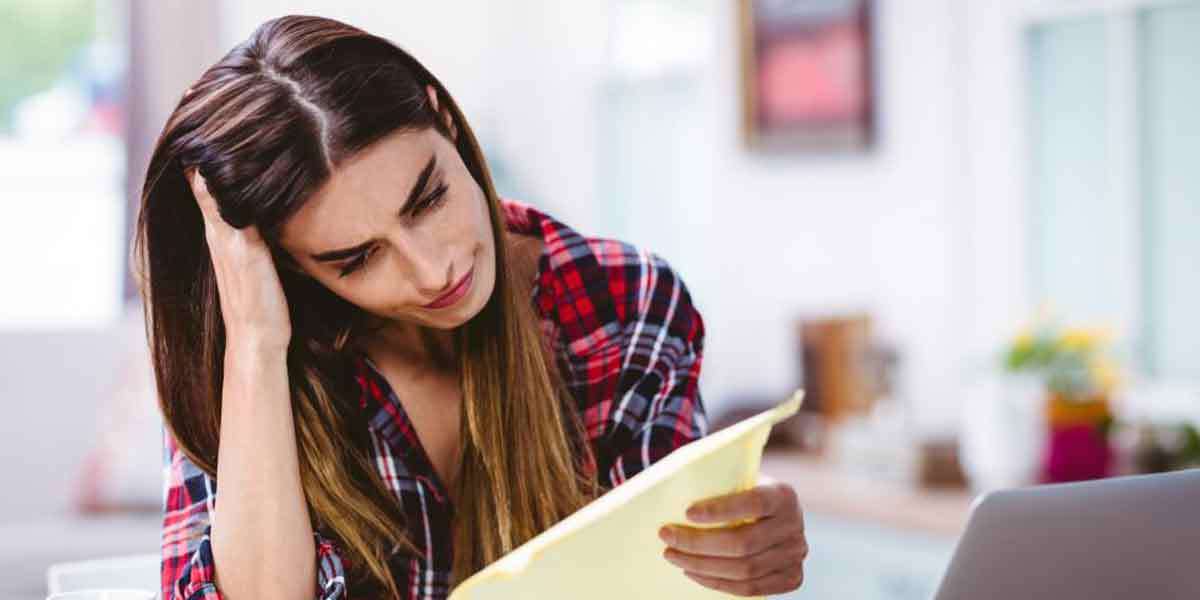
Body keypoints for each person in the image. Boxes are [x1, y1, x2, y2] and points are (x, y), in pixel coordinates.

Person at [135, 14, 808, 600]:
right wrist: (255, 343)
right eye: (357, 259)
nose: (434, 270)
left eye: (429, 199)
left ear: (447, 122)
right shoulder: (248, 366)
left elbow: (663, 580)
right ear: (290, 267)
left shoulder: (624, 305)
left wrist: (739, 546)